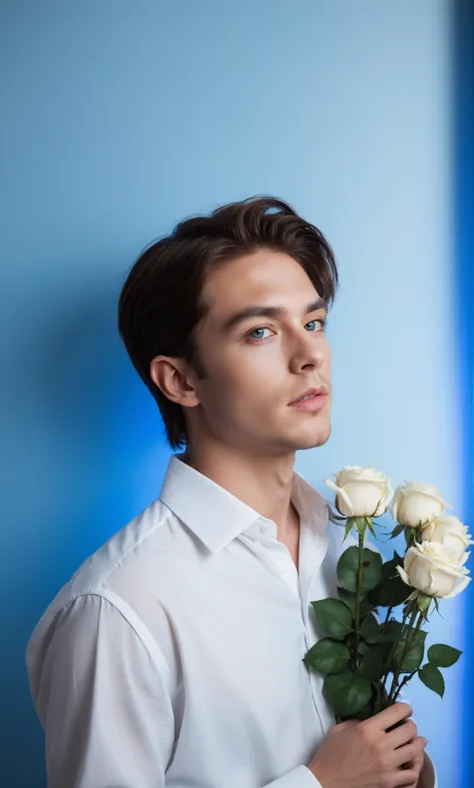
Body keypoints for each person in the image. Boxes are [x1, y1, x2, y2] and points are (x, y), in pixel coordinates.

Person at [26, 197, 437, 788]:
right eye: (261, 331)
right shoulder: (118, 609)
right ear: (182, 380)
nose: (309, 354)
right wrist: (320, 785)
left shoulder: (348, 543)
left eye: (313, 322)